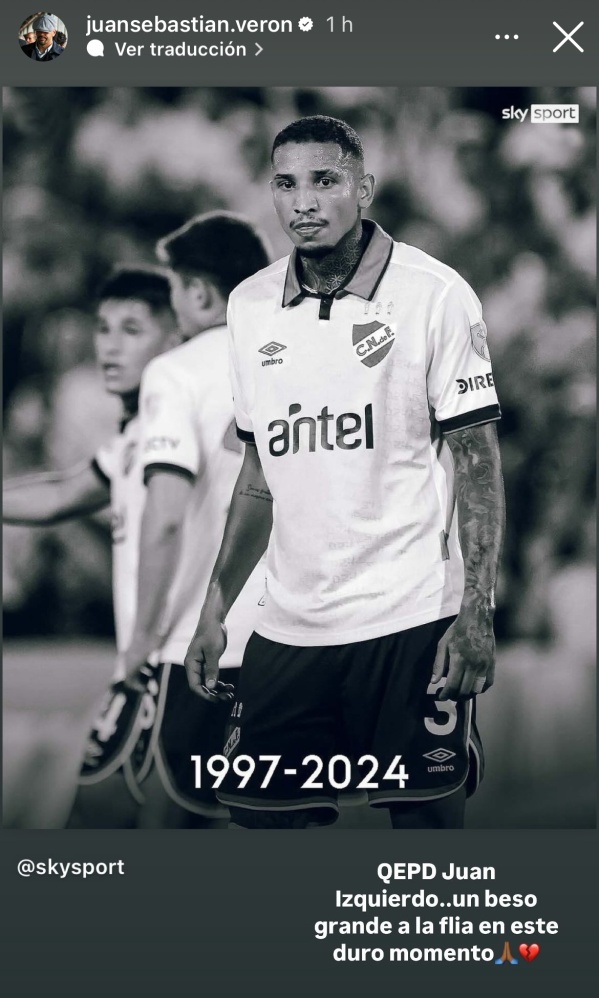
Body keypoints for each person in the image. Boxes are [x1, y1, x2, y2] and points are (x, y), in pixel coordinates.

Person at [184, 115, 505, 830]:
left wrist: (477, 609)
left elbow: (478, 461)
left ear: (364, 188)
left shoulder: (434, 293)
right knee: (261, 831)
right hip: (288, 629)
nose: (303, 201)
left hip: (411, 619)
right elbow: (259, 474)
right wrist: (215, 608)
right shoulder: (248, 307)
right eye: (285, 183)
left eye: (324, 180)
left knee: (425, 844)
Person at [3, 268, 180, 827]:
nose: (108, 345)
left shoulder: (197, 419)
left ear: (173, 339)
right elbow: (61, 494)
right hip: (148, 659)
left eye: (130, 330)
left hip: (185, 661)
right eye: (103, 329)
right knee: (107, 812)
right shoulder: (134, 435)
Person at [118, 211, 271, 828]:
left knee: (168, 825)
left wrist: (142, 637)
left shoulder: (174, 372)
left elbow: (165, 518)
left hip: (198, 643)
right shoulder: (289, 359)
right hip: (291, 638)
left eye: (175, 288)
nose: (174, 304)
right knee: (266, 821)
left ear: (201, 293)